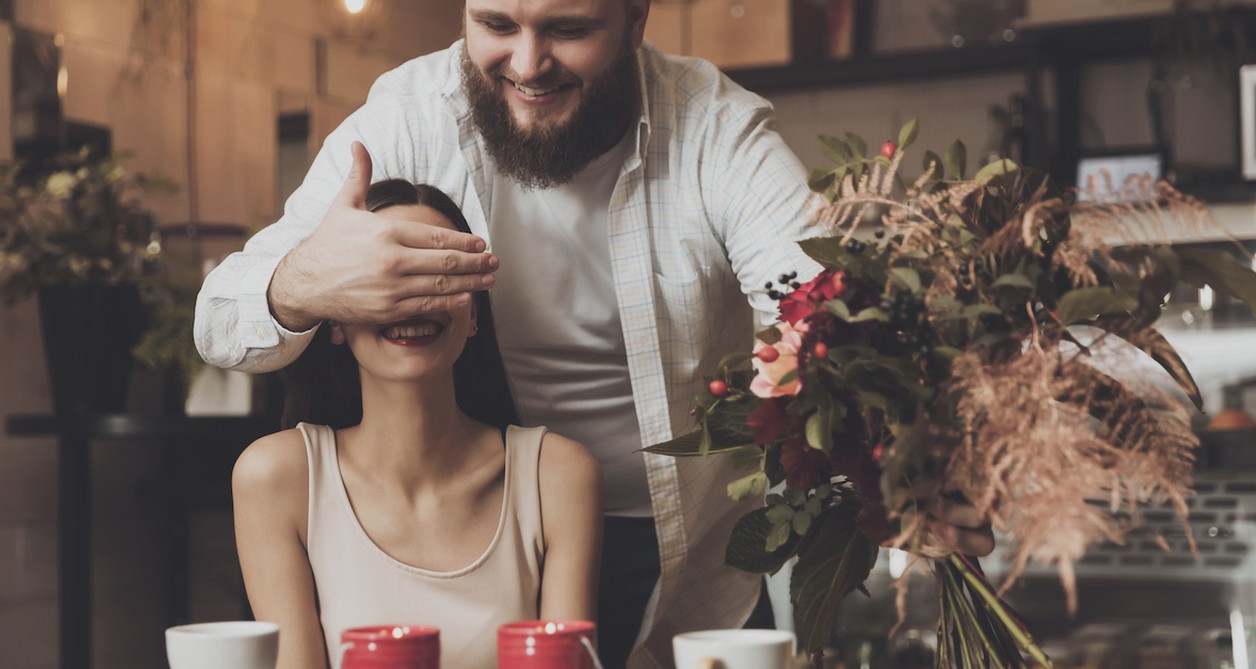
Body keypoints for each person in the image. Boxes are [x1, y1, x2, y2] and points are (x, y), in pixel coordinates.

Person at [197, 1, 993, 666]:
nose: (527, 61)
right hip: (494, 541)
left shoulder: (713, 129)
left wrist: (902, 433)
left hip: (693, 568)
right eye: (497, 22)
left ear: (636, 17)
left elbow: (819, 304)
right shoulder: (407, 115)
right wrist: (305, 280)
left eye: (568, 27)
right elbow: (221, 320)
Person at [230, 179, 604, 669]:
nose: (415, 299)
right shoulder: (275, 478)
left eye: (439, 276)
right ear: (335, 320)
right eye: (389, 276)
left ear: (473, 314)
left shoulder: (557, 475)